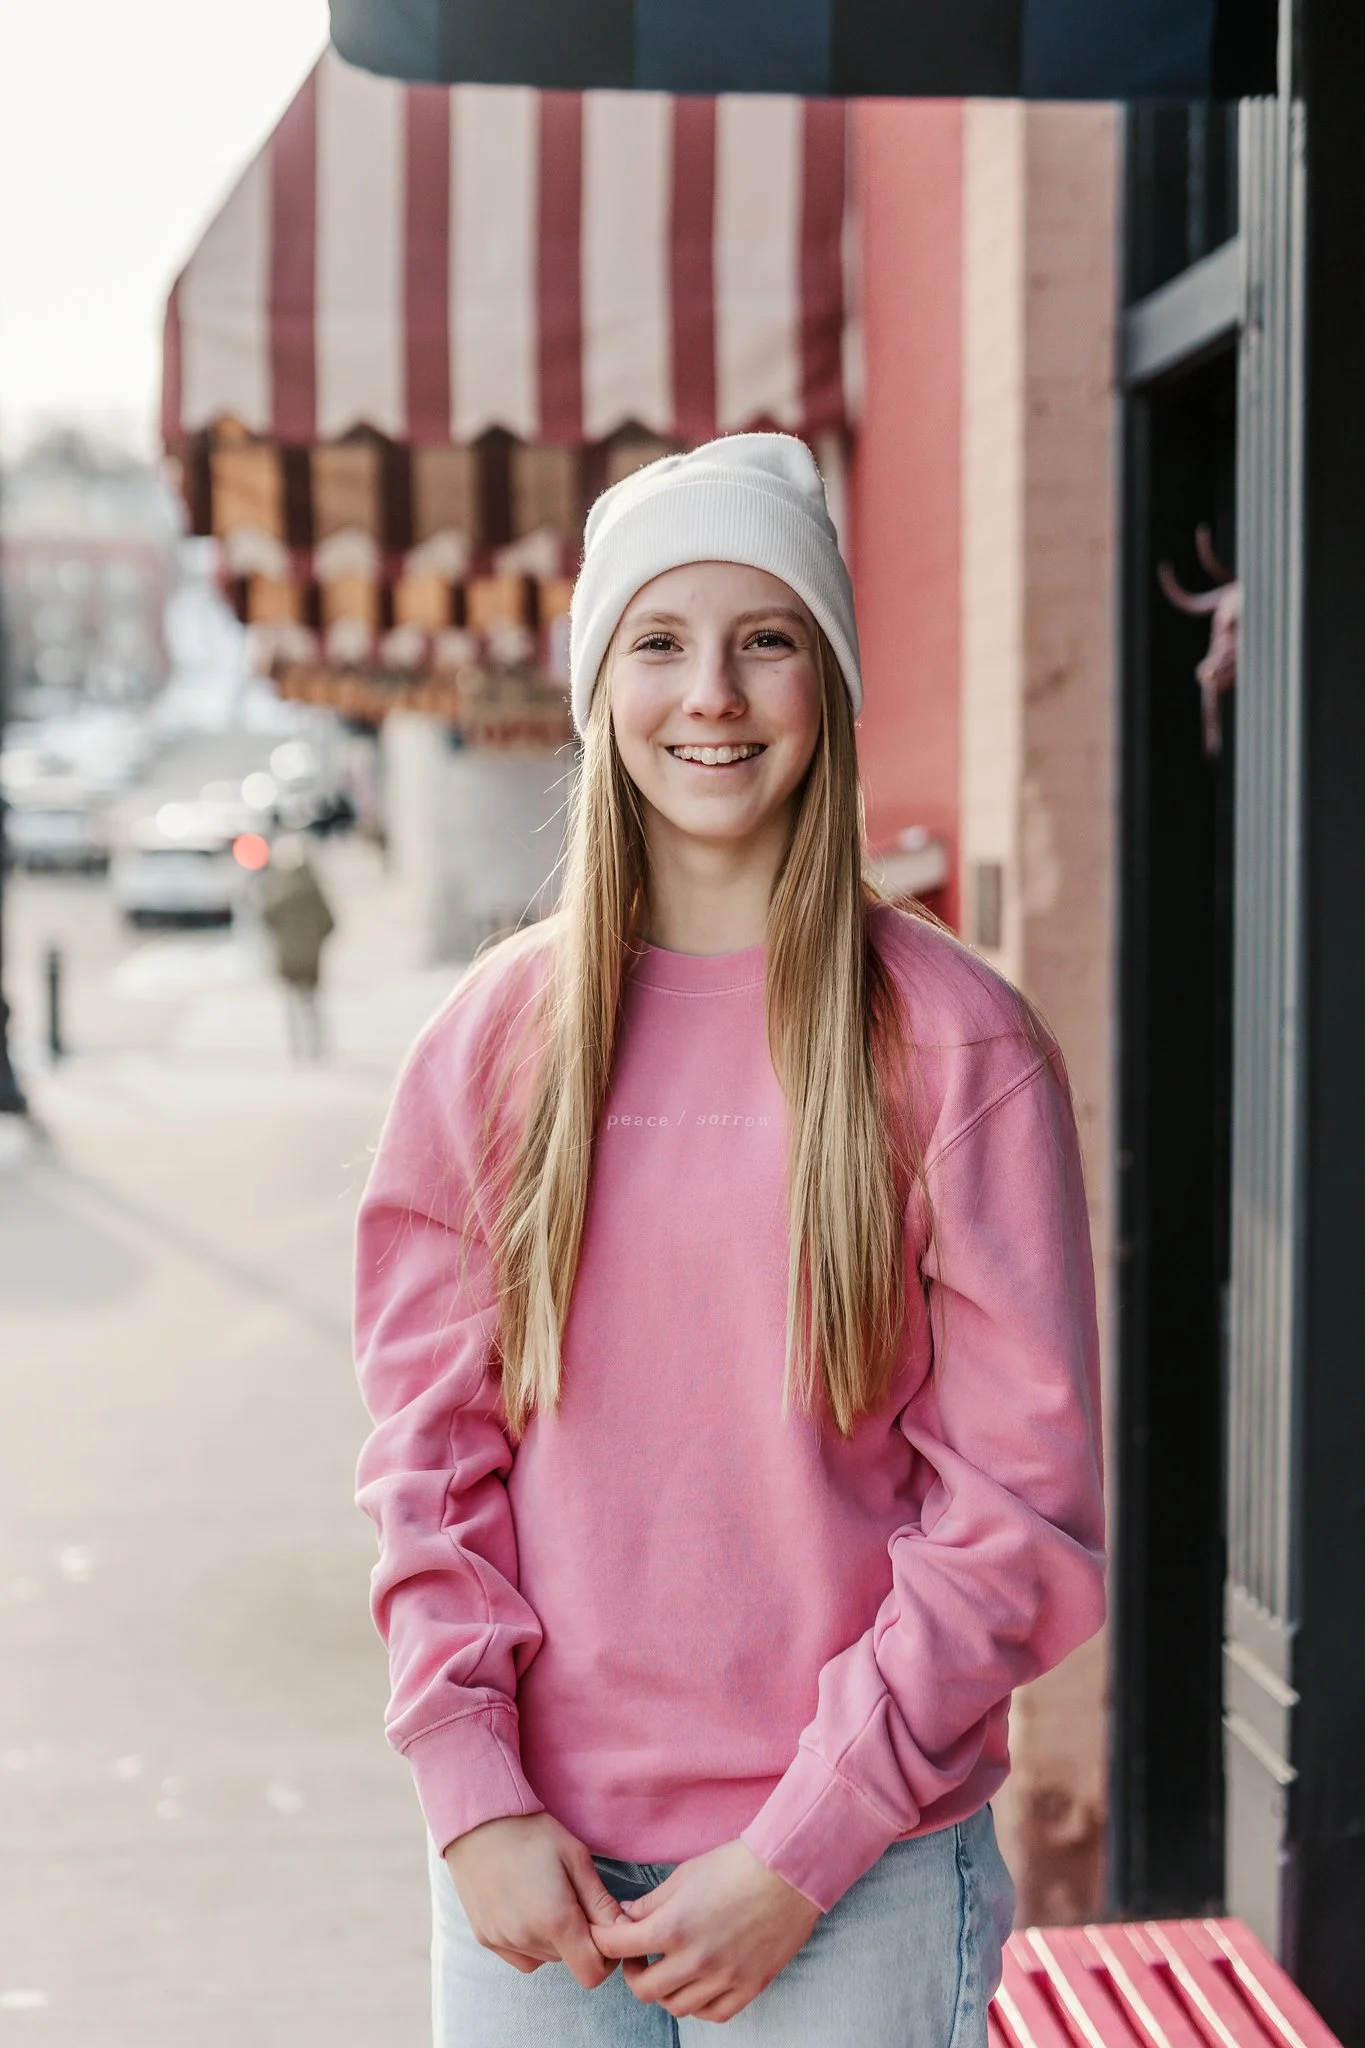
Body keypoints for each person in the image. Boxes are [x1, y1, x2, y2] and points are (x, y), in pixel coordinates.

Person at [355, 435, 1106, 2046]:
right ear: (598, 686)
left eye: (765, 638)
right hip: (530, 1874)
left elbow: (1019, 1511)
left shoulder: (955, 1046)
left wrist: (806, 1844)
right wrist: (470, 1787)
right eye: (659, 641)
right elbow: (429, 1452)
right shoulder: (492, 1043)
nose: (711, 693)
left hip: (850, 1883)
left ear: (828, 680)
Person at [258, 835, 335, 1059]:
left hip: (288, 955)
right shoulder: (311, 886)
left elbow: (266, 916)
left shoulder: (276, 885)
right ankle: (315, 1046)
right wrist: (315, 940)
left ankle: (297, 1048)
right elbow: (329, 921)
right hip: (311, 955)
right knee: (312, 1003)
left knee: (292, 1003)